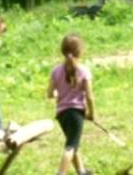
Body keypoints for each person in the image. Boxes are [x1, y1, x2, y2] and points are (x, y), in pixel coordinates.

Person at [48, 34, 95, 175]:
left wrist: (60, 95)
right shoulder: (84, 71)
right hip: (76, 114)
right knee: (71, 146)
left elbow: (50, 93)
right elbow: (90, 97)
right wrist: (92, 114)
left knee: (73, 142)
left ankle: (81, 171)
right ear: (80, 51)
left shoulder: (55, 71)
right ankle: (60, 173)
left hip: (62, 114)